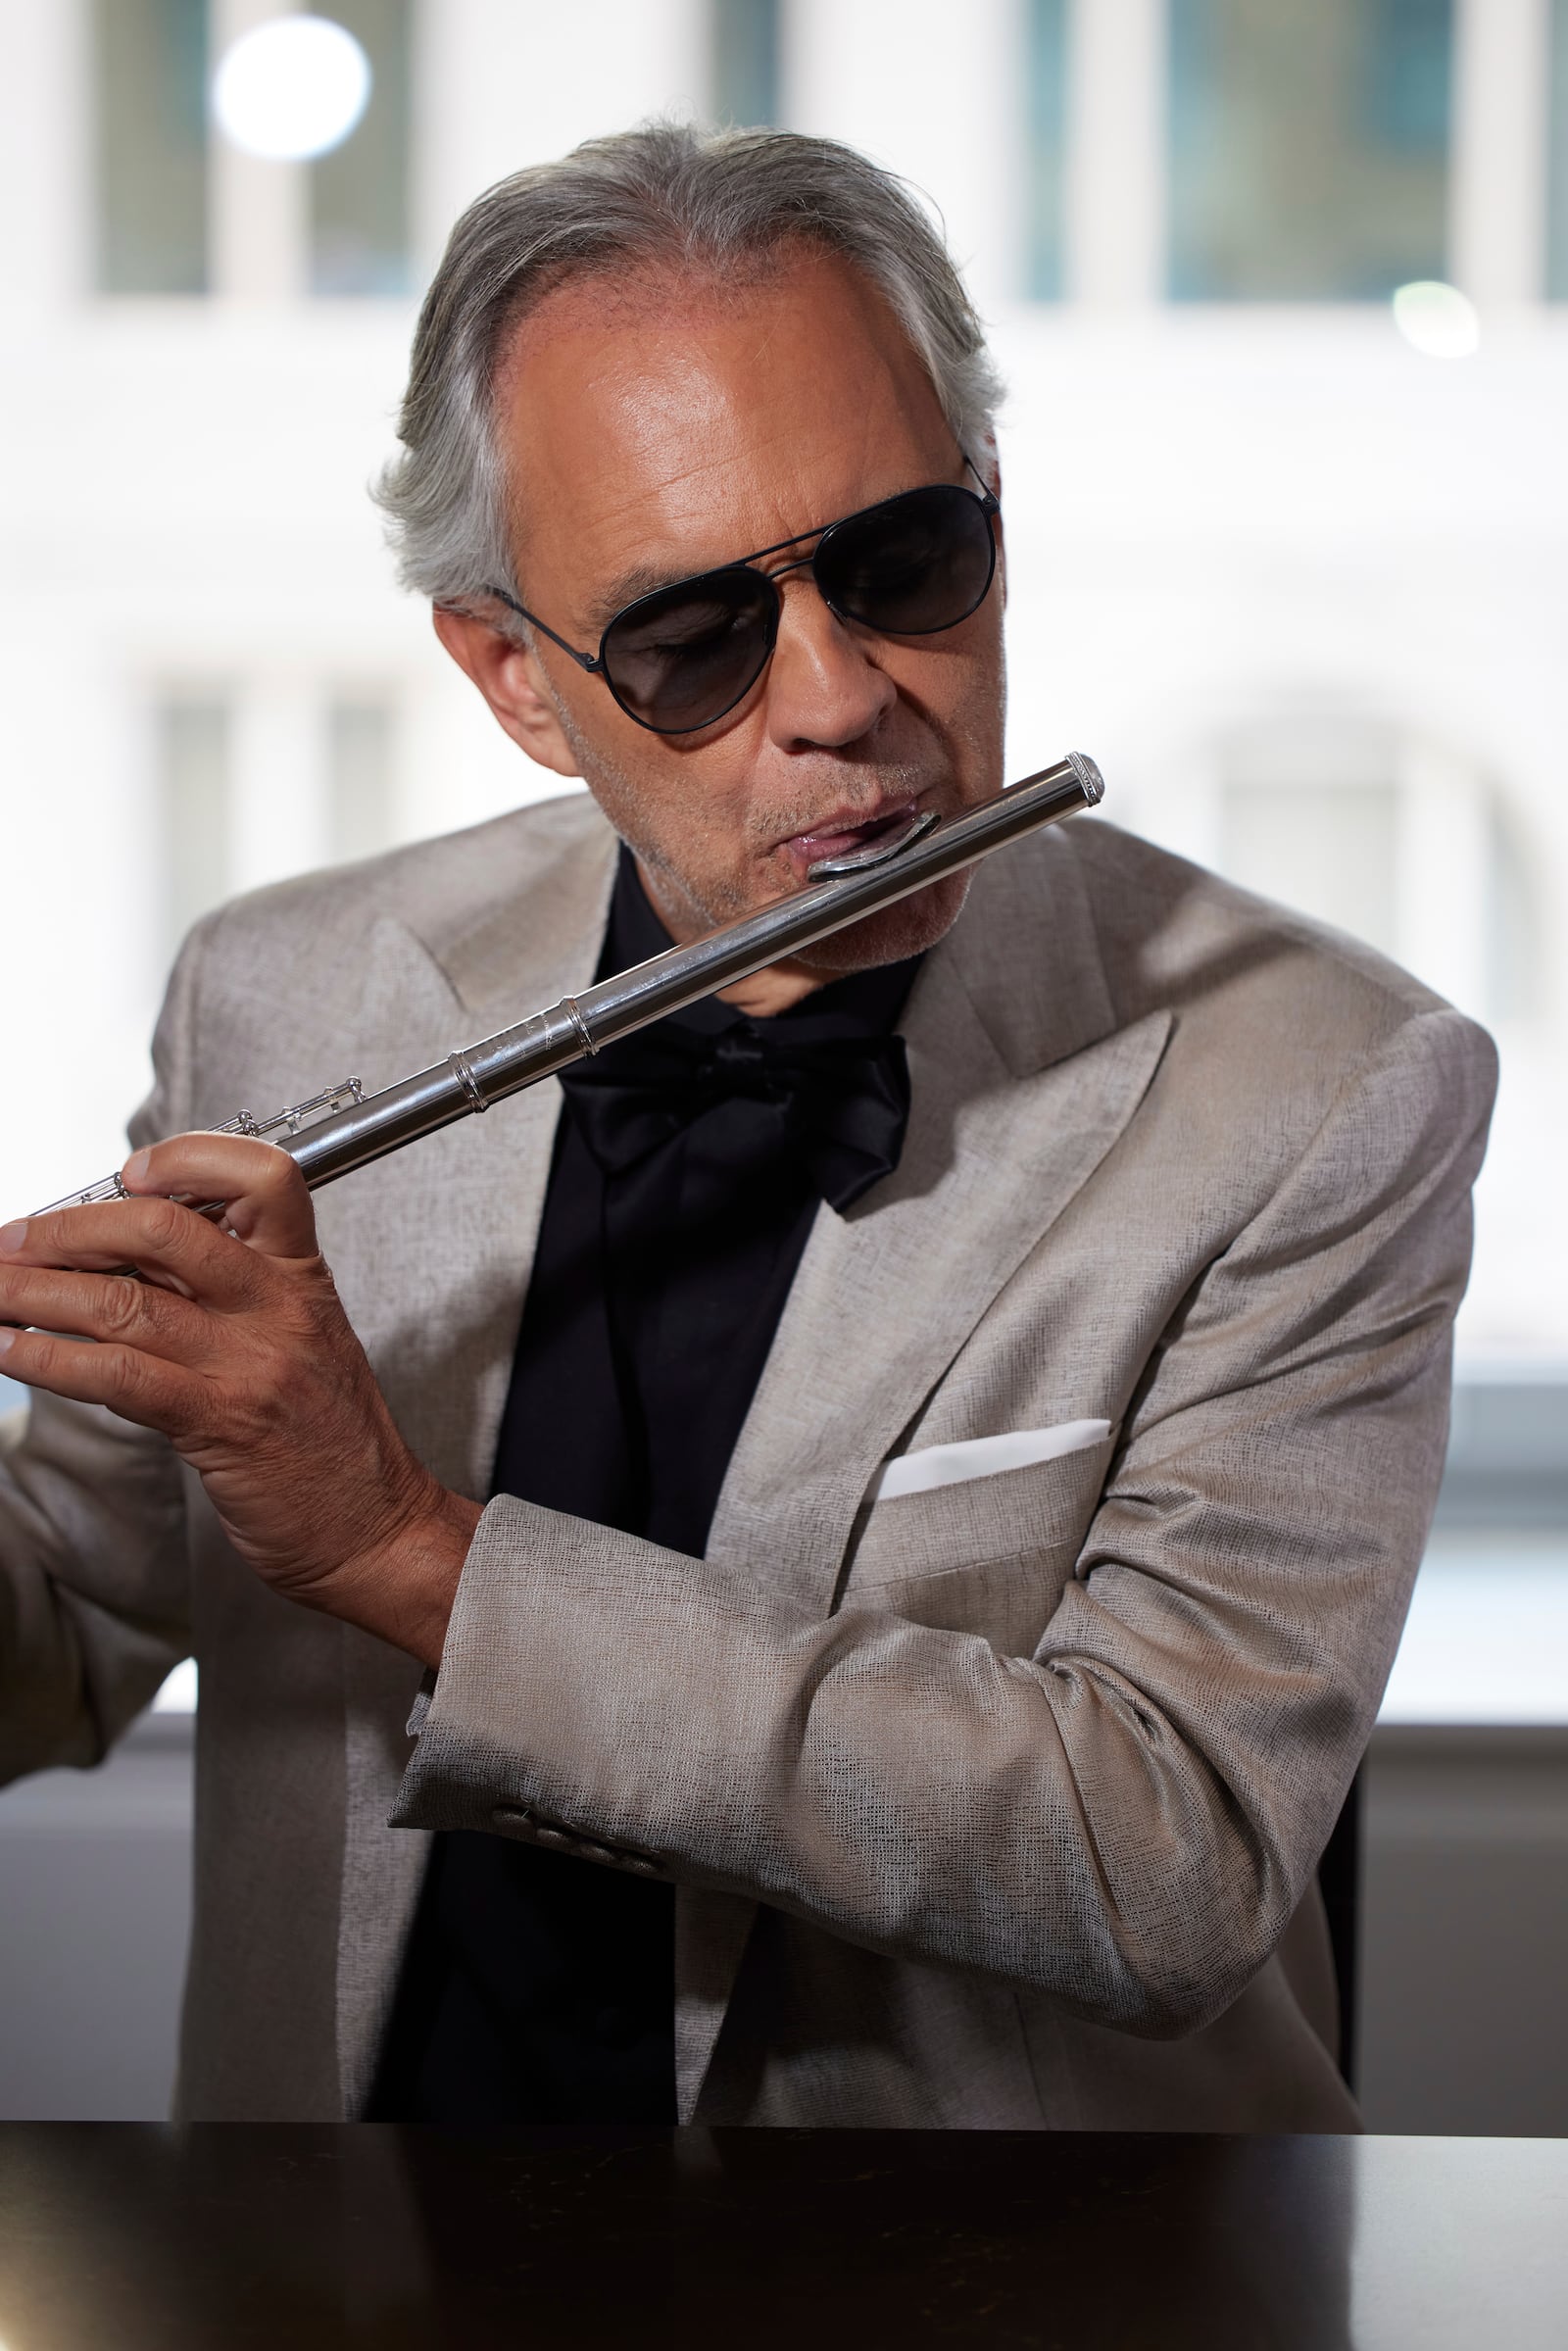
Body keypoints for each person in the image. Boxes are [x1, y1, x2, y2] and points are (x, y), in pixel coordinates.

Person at [0, 125, 1494, 2130]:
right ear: (516, 677)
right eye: (694, 638)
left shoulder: (1318, 1084)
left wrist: (400, 1548)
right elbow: (62, 1625)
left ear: (991, 512)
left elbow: (1164, 1860)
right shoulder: (282, 995)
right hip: (339, 2267)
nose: (841, 702)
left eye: (900, 567)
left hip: (990, 2292)